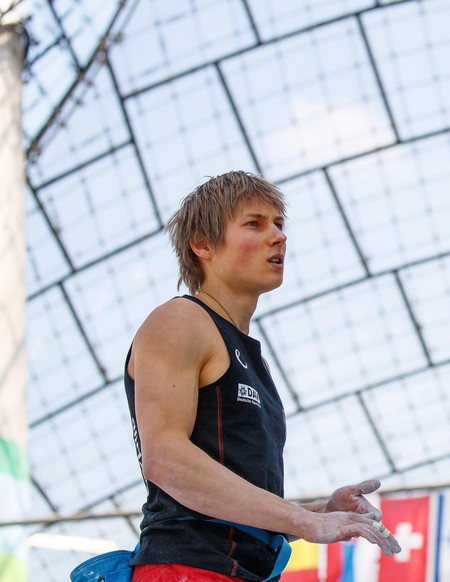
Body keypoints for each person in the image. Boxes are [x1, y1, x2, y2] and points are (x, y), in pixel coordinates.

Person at [123, 171, 400, 581]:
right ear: (202, 244)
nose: (278, 236)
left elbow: (234, 506)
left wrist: (322, 512)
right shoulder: (180, 320)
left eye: (279, 223)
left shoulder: (251, 358)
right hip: (185, 569)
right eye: (254, 223)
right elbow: (165, 460)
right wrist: (305, 522)